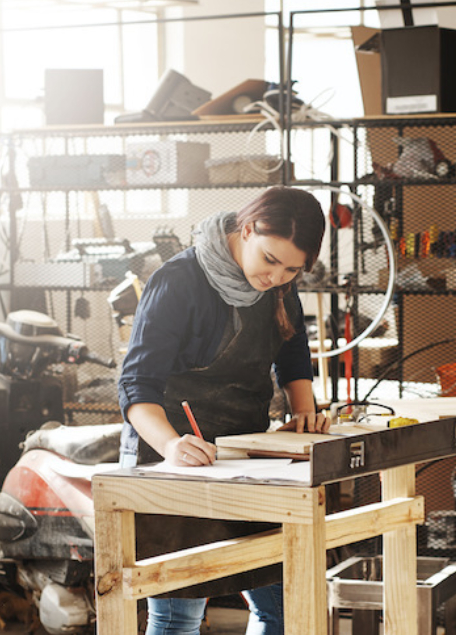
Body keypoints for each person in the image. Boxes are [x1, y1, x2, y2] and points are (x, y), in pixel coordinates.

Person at [117, 186, 330, 635]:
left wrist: (304, 412)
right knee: (179, 616)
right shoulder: (178, 281)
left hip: (244, 456)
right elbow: (136, 386)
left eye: (292, 269)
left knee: (286, 605)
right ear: (247, 229)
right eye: (270, 260)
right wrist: (171, 446)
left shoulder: (279, 286)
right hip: (174, 454)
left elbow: (293, 350)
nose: (277, 277)